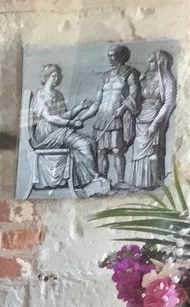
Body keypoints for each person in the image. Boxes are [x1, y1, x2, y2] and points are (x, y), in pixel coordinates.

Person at [26, 63, 100, 195]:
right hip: (46, 134)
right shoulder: (41, 95)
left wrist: (80, 107)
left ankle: (87, 181)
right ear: (46, 77)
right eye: (53, 76)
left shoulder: (58, 94)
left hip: (59, 130)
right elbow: (50, 118)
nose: (56, 78)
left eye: (57, 76)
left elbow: (62, 116)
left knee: (92, 142)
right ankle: (94, 178)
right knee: (84, 144)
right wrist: (71, 123)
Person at [89, 44, 140, 187]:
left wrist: (123, 108)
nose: (110, 58)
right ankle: (103, 181)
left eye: (113, 55)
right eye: (108, 55)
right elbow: (97, 101)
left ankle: (121, 182)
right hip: (102, 117)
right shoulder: (104, 76)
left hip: (117, 116)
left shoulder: (130, 72)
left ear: (121, 55)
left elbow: (134, 93)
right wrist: (81, 117)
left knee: (117, 150)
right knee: (101, 151)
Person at [125, 49, 177, 190]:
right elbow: (137, 97)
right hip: (141, 117)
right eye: (148, 61)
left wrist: (155, 124)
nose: (149, 63)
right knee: (138, 151)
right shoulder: (145, 78)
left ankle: (154, 182)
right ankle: (139, 183)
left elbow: (169, 103)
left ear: (160, 61)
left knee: (153, 152)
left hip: (155, 117)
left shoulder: (167, 79)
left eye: (152, 60)